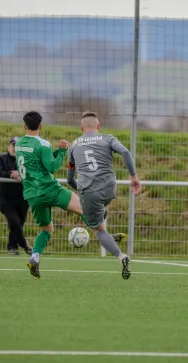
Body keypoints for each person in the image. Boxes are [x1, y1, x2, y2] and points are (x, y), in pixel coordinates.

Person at [15, 111, 125, 279]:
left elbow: (37, 162)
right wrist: (61, 151)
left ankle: (34, 257)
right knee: (83, 208)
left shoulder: (19, 143)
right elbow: (51, 167)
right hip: (50, 189)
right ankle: (104, 234)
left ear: (24, 126)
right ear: (41, 126)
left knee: (46, 229)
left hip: (32, 194)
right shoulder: (43, 144)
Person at [67, 111, 141, 280]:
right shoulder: (108, 138)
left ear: (81, 128)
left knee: (97, 231)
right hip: (109, 188)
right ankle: (108, 236)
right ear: (98, 127)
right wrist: (134, 177)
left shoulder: (74, 145)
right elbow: (125, 153)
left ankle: (121, 256)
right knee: (99, 214)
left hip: (89, 191)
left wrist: (82, 190)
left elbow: (70, 179)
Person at [0, 136, 33, 256]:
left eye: (17, 146)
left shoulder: (25, 160)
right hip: (5, 199)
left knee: (18, 224)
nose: (14, 148)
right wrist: (12, 174)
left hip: (22, 198)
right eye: (13, 145)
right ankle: (25, 244)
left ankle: (12, 247)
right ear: (9, 146)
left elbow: (31, 174)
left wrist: (22, 175)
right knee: (14, 221)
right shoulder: (1, 158)